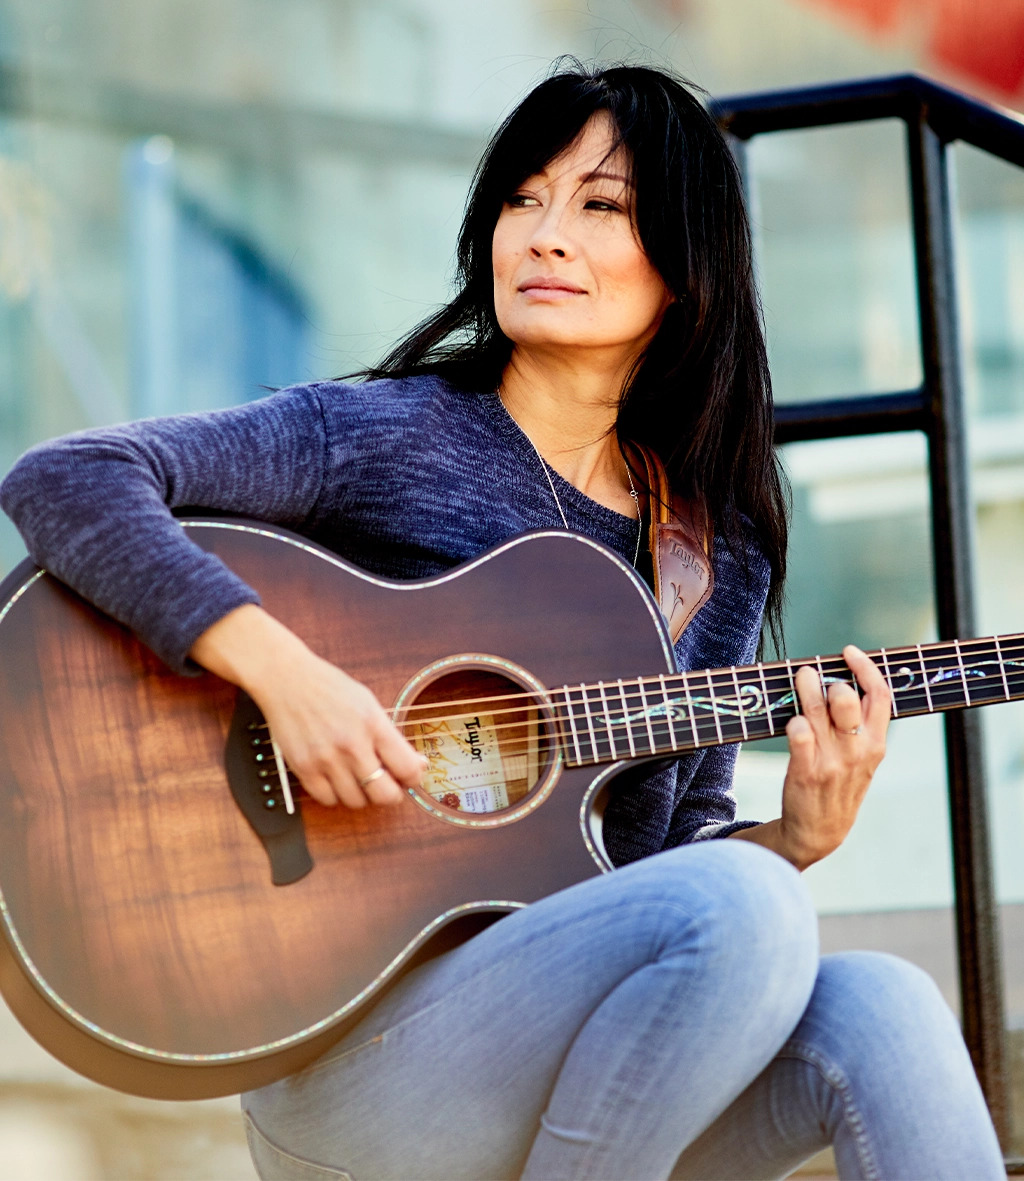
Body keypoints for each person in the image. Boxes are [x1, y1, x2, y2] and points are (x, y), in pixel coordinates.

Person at [0, 63, 1003, 1180]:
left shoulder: (717, 553)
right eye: (523, 198)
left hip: (585, 1060)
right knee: (751, 901)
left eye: (600, 205)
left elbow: (666, 874)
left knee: (886, 1003)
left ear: (689, 270)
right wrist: (287, 677)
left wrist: (794, 839)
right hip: (358, 1057)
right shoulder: (391, 434)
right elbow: (69, 476)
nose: (545, 234)